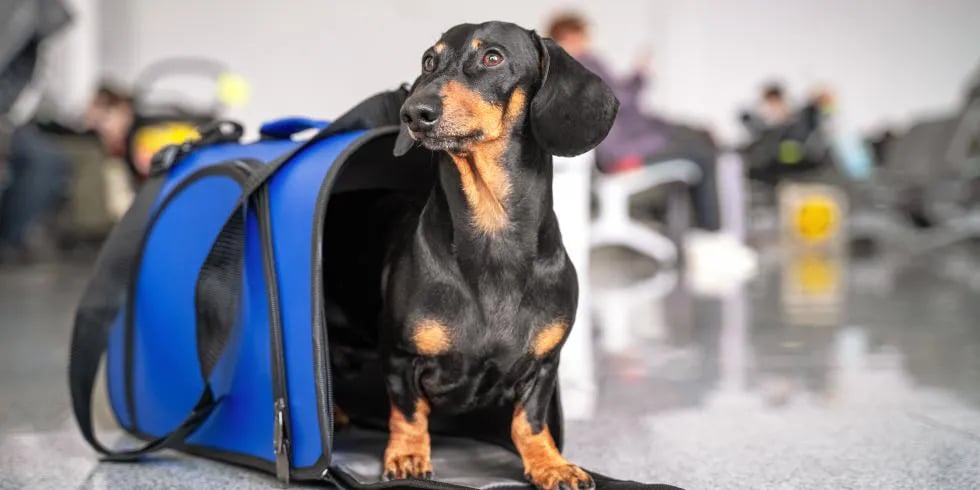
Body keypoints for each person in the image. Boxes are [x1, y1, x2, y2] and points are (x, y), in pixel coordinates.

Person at [546, 13, 722, 233]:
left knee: (698, 138)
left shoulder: (558, 70)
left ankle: (701, 232)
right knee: (703, 149)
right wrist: (639, 74)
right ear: (571, 35)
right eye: (585, 34)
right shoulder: (584, 62)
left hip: (616, 146)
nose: (589, 40)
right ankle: (711, 234)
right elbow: (621, 98)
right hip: (623, 150)